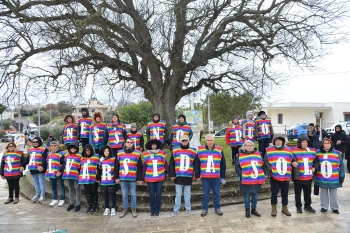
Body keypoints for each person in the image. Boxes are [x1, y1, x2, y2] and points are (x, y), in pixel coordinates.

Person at [264, 134, 298, 217]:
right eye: (276, 140)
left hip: (285, 175)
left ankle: (284, 207)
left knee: (285, 192)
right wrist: (270, 169)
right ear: (274, 141)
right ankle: (274, 208)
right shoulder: (269, 150)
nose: (278, 141)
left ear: (282, 141)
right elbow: (265, 161)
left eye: (279, 140)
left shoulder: (289, 150)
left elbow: (293, 159)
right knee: (274, 193)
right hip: (274, 175)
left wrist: (294, 162)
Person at [194, 134, 226, 217]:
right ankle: (204, 208)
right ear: (206, 141)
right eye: (208, 140)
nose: (209, 142)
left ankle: (217, 207)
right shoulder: (200, 149)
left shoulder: (219, 149)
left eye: (211, 140)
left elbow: (223, 163)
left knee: (217, 193)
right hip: (205, 177)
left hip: (216, 176)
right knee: (206, 194)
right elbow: (196, 163)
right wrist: (198, 175)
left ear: (213, 140)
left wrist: (222, 176)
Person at [314, 138, 345, 214]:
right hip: (322, 178)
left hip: (333, 178)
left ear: (331, 144)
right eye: (325, 143)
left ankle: (334, 207)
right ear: (322, 144)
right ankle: (324, 206)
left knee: (333, 193)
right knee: (323, 192)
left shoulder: (337, 153)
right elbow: (314, 163)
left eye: (328, 143)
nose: (327, 145)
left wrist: (342, 176)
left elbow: (342, 165)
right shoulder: (317, 153)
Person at [235, 140, 265, 218]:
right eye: (247, 145)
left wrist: (261, 173)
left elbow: (262, 165)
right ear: (244, 147)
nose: (249, 147)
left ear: (253, 146)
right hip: (246, 179)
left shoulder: (258, 154)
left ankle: (253, 209)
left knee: (255, 195)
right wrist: (242, 174)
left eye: (251, 145)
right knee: (247, 195)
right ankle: (247, 210)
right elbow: (237, 167)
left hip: (256, 179)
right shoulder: (240, 155)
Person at [169, 135, 196, 216]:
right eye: (183, 140)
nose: (184, 142)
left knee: (187, 193)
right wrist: (172, 174)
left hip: (188, 175)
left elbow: (196, 163)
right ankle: (176, 209)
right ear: (180, 141)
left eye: (185, 140)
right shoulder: (175, 151)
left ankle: (188, 208)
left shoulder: (193, 151)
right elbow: (171, 164)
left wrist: (195, 174)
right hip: (178, 175)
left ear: (188, 141)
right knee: (178, 194)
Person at [116, 138, 143, 218]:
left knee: (133, 194)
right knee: (124, 195)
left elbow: (139, 167)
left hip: (132, 178)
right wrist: (116, 177)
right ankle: (124, 209)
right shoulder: (119, 153)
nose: (129, 144)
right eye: (127, 142)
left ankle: (133, 209)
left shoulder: (137, 153)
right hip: (123, 178)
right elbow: (117, 166)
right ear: (125, 143)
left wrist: (140, 179)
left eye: (131, 142)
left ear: (133, 144)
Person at [143, 139, 168, 218]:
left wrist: (168, 172)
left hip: (160, 177)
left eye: (155, 144)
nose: (154, 146)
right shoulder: (146, 154)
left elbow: (165, 164)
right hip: (150, 177)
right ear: (150, 146)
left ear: (157, 145)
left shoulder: (162, 153)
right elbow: (144, 166)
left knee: (158, 194)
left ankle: (157, 211)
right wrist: (142, 176)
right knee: (151, 194)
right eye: (152, 145)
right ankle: (152, 210)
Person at [291, 134, 317, 213]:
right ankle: (298, 206)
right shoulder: (293, 151)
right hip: (298, 176)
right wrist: (292, 162)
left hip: (308, 176)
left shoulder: (312, 151)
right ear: (299, 143)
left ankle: (307, 205)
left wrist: (314, 167)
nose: (305, 144)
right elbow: (290, 159)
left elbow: (316, 161)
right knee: (298, 193)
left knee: (308, 192)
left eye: (306, 142)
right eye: (303, 142)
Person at [20, 136, 49, 203]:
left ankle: (42, 195)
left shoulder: (44, 149)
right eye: (34, 142)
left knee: (41, 183)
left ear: (39, 142)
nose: (35, 143)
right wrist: (23, 165)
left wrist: (42, 166)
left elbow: (45, 159)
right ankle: (37, 194)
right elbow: (28, 159)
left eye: (37, 142)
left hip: (40, 169)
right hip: (32, 168)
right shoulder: (31, 149)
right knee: (36, 183)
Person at [59, 142, 82, 212]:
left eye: (74, 147)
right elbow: (63, 163)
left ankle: (78, 204)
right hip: (68, 175)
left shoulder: (80, 155)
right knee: (70, 189)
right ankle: (71, 203)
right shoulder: (66, 155)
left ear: (77, 148)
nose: (72, 149)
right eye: (71, 147)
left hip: (76, 175)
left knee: (77, 189)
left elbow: (81, 165)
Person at [96, 145, 118, 216]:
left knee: (113, 194)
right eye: (105, 151)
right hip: (104, 180)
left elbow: (116, 169)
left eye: (107, 151)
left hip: (111, 180)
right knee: (105, 195)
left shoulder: (114, 158)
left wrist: (116, 177)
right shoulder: (101, 160)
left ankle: (113, 208)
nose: (106, 152)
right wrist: (98, 178)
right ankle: (107, 208)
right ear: (103, 152)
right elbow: (99, 170)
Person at [78, 144, 100, 214]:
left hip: (93, 178)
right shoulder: (82, 158)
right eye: (86, 150)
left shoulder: (96, 157)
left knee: (94, 192)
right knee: (87, 193)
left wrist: (98, 177)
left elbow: (99, 167)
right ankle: (89, 205)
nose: (87, 152)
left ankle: (95, 206)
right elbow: (80, 168)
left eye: (88, 150)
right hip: (85, 179)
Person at [45, 141, 65, 207]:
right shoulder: (49, 154)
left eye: (55, 146)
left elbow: (63, 163)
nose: (53, 147)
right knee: (53, 187)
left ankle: (62, 199)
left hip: (58, 173)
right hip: (51, 173)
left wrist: (60, 171)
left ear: (58, 146)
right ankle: (55, 199)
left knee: (61, 186)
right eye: (52, 146)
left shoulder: (61, 153)